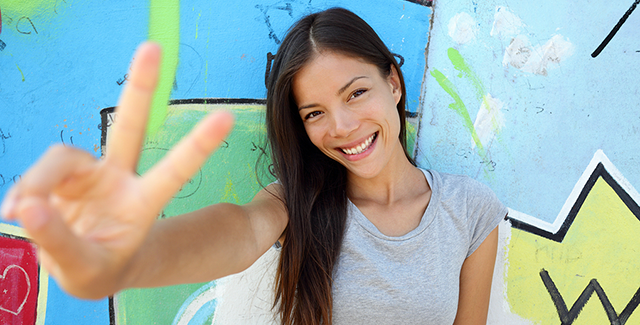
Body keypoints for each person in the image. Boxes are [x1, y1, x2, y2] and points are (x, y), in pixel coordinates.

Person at [1, 8, 506, 325]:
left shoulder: (470, 210)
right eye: (314, 113)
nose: (344, 125)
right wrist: (133, 256)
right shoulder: (297, 201)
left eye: (356, 92)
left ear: (393, 84)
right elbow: (239, 231)